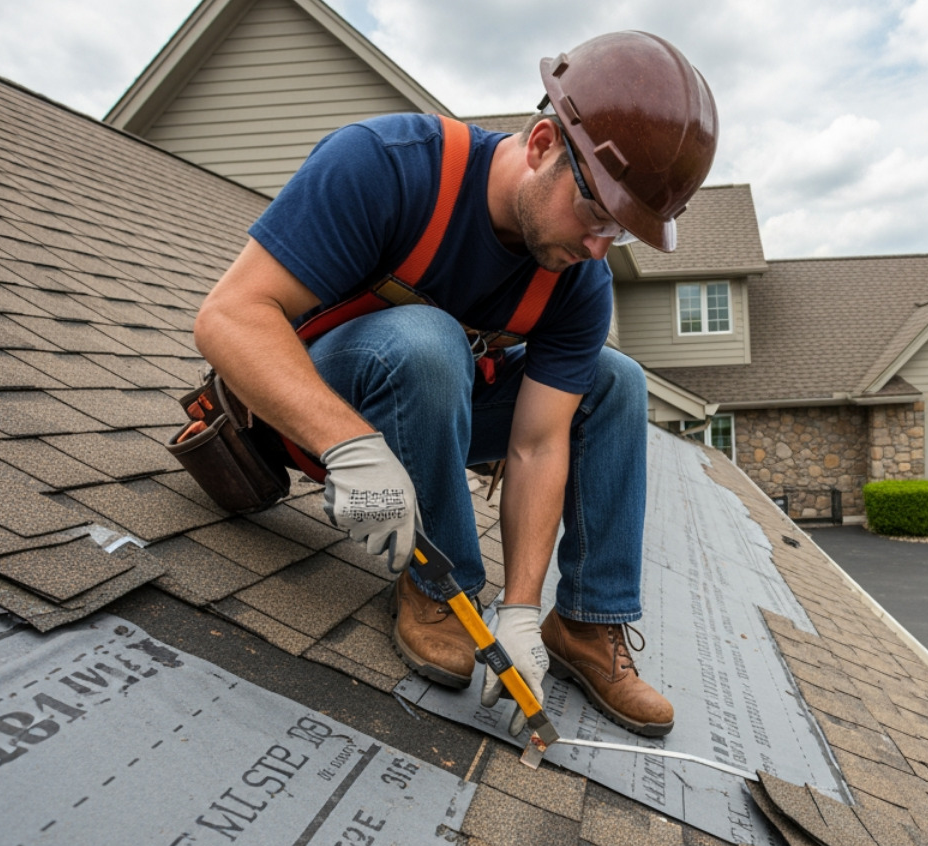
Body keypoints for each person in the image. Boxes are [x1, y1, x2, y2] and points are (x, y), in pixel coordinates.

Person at [193, 32, 718, 739]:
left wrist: (523, 610)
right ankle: (440, 587)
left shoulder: (577, 279)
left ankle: (584, 626)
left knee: (615, 379)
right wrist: (346, 443)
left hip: (434, 413)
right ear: (539, 146)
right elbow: (229, 317)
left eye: (620, 233)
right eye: (596, 214)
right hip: (305, 411)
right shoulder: (387, 166)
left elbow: (535, 445)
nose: (599, 248)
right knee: (428, 338)